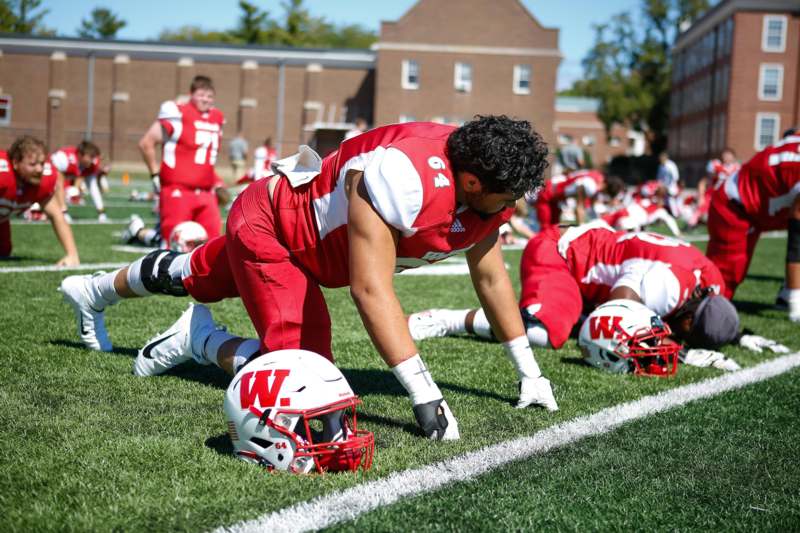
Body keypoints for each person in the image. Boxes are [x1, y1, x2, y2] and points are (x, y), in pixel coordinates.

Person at [60, 116, 559, 441]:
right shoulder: (405, 177)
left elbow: (492, 279)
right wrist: (425, 394)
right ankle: (201, 340)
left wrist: (530, 373)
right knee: (313, 382)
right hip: (274, 227)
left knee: (191, 273)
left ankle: (94, 291)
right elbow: (370, 287)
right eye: (509, 193)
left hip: (309, 241)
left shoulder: (477, 176)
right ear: (471, 182)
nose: (513, 206)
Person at [409, 221, 745, 352]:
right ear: (687, 322)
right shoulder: (665, 285)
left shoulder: (711, 282)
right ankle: (445, 319)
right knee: (545, 332)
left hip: (596, 256)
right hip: (562, 253)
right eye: (690, 333)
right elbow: (613, 321)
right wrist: (678, 348)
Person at [707, 130, 800, 321]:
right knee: (718, 292)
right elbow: (797, 236)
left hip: (765, 204)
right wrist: (796, 301)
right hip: (735, 207)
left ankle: (786, 292)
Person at [138, 75, 224, 244]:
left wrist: (217, 181)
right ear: (191, 94)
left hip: (206, 192)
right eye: (201, 95)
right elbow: (146, 143)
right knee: (173, 246)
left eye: (209, 96)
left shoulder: (217, 117)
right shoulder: (178, 113)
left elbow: (204, 159)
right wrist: (155, 174)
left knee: (214, 246)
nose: (205, 100)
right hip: (178, 191)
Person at [1, 136, 79, 265]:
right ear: (15, 163)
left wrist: (72, 254)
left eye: (42, 163)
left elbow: (56, 215)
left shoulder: (41, 183)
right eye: (32, 164)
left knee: (4, 252)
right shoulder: (3, 174)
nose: (39, 169)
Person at [531, 170, 624, 230]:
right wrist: (581, 229)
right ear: (607, 188)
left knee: (554, 229)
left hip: (556, 197)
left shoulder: (597, 176)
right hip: (549, 194)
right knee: (546, 229)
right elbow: (579, 208)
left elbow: (591, 207)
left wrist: (598, 222)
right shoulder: (590, 185)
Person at [50, 141, 109, 222]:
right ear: (80, 154)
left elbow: (93, 188)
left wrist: (101, 212)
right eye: (91, 157)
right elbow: (57, 183)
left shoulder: (90, 166)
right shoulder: (64, 158)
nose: (93, 160)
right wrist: (64, 212)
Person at [694, 147, 740, 226]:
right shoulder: (718, 166)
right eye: (725, 155)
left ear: (733, 156)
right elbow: (707, 180)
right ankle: (692, 225)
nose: (726, 157)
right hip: (715, 194)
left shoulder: (737, 168)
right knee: (702, 211)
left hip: (729, 196)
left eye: (729, 155)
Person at [656, 151, 680, 216]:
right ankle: (667, 213)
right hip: (664, 186)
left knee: (671, 200)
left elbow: (675, 176)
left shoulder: (671, 165)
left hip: (671, 186)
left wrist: (670, 185)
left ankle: (676, 214)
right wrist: (660, 185)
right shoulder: (661, 166)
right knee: (665, 201)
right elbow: (659, 177)